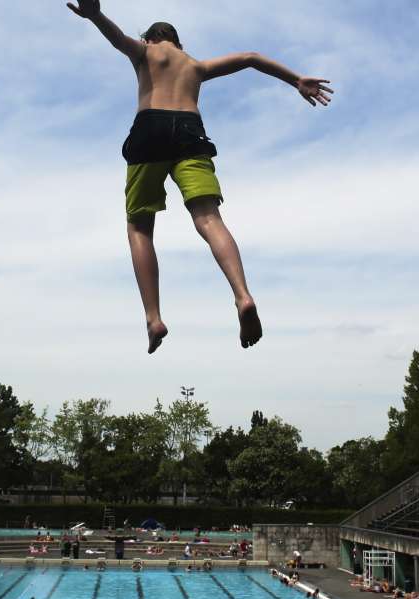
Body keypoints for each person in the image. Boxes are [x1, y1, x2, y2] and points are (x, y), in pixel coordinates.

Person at [67, 0, 332, 353]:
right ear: (180, 43)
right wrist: (296, 79)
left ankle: (154, 318)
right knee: (209, 218)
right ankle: (242, 296)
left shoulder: (145, 53)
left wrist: (95, 15)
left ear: (149, 40)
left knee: (140, 226)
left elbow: (117, 40)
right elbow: (251, 57)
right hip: (191, 131)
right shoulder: (196, 65)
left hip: (150, 129)